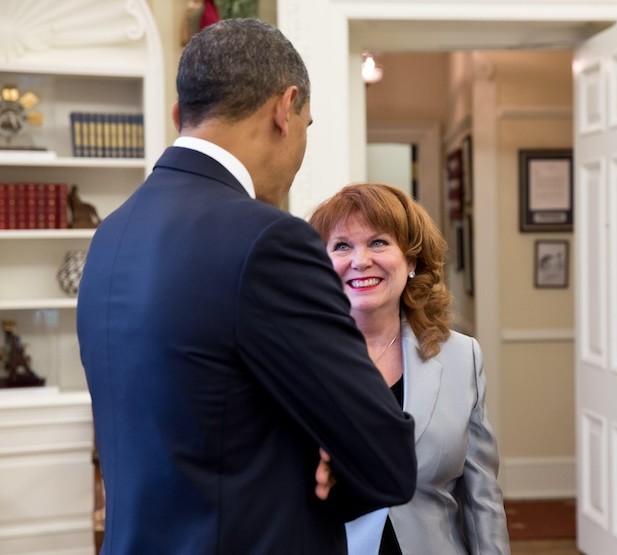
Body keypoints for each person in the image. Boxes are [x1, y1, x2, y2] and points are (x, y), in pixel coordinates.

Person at [76, 19, 417, 554]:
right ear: (286, 108)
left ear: (178, 115)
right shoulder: (269, 240)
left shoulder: (109, 237)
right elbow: (386, 459)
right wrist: (327, 455)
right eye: (308, 123)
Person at [309, 183, 510, 554]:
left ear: (412, 260)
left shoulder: (461, 357)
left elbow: (482, 496)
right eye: (341, 246)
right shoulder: (295, 360)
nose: (360, 260)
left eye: (379, 242)